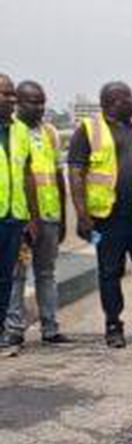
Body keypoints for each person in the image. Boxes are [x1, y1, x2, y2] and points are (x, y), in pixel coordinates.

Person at [68, 82, 132, 348]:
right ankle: (113, 325)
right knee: (110, 272)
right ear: (113, 102)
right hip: (109, 218)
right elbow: (76, 174)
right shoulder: (88, 131)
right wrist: (82, 214)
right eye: (129, 98)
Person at [5, 81, 71, 346]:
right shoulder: (11, 132)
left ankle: (50, 327)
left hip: (49, 215)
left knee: (46, 272)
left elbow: (57, 175)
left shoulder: (51, 133)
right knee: (16, 274)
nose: (40, 107)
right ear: (18, 103)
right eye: (34, 102)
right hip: (21, 216)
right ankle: (14, 329)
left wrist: (63, 216)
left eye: (43, 101)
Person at [0, 74, 39, 348]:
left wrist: (32, 216)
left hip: (14, 217)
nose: (11, 100)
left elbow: (27, 175)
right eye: (5, 94)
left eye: (13, 94)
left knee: (6, 278)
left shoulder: (20, 130)